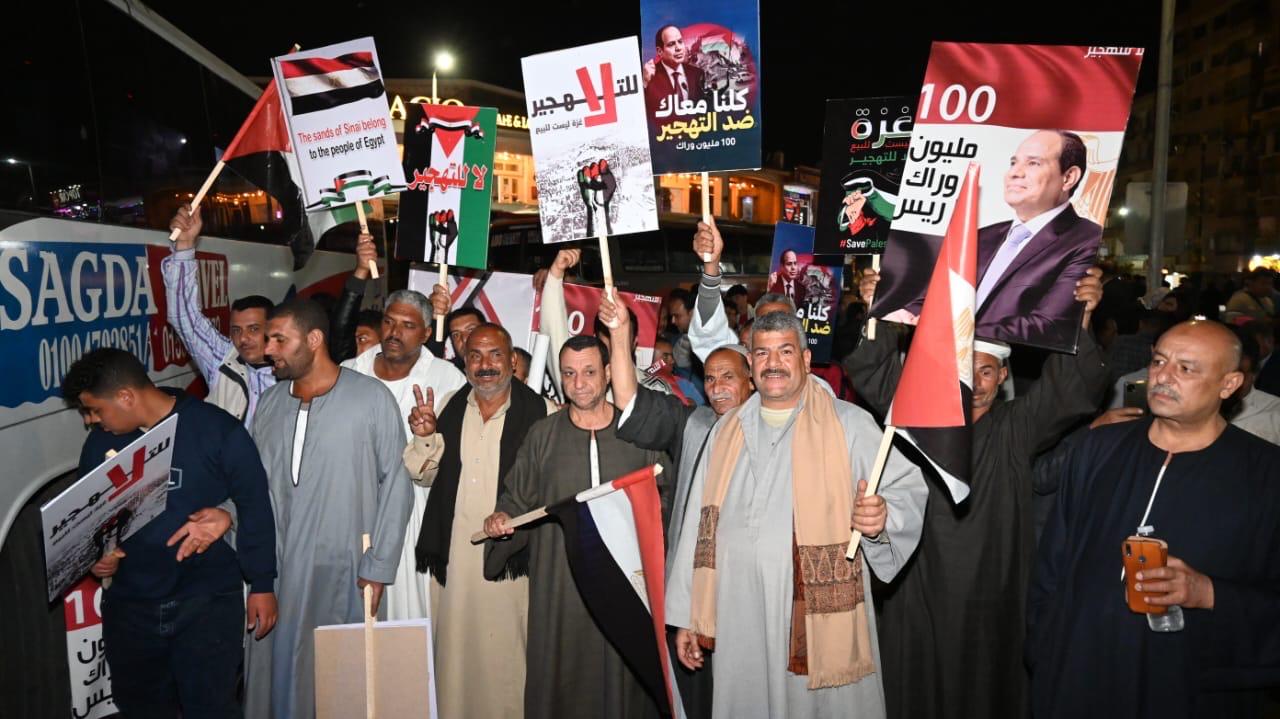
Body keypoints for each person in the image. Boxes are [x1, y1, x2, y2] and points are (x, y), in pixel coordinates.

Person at [846, 265, 1110, 718]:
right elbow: (872, 370)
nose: (975, 383)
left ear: (1003, 375)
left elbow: (1071, 390)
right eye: (965, 370)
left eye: (986, 372)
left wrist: (1080, 317)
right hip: (918, 587)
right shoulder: (917, 417)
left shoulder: (1016, 426)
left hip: (992, 595)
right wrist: (882, 309)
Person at [665, 310, 928, 719]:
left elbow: (906, 489)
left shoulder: (849, 424)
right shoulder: (725, 430)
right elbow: (699, 527)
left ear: (805, 360)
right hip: (739, 615)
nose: (773, 363)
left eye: (785, 352)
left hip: (814, 625)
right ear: (751, 363)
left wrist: (881, 518)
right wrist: (686, 616)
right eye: (763, 353)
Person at [1028, 320, 1280, 718]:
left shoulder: (1266, 475)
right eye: (1159, 361)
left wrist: (1208, 593)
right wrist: (1045, 648)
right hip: (1077, 671)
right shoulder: (1097, 448)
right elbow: (1052, 565)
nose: (1163, 376)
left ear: (1229, 384)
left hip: (1183, 685)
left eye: (1186, 368)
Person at [65, 348, 276, 718]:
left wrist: (262, 584)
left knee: (211, 708)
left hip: (206, 601)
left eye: (96, 410)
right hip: (131, 608)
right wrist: (97, 557)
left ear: (126, 396)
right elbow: (88, 522)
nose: (91, 421)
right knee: (141, 708)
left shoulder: (216, 429)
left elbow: (256, 504)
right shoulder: (99, 445)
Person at [482, 334, 670, 719]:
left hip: (627, 583)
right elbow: (517, 500)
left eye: (588, 372)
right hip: (562, 585)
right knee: (563, 681)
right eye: (568, 374)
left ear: (608, 373)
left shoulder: (638, 434)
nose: (578, 383)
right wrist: (502, 519)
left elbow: (667, 499)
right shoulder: (543, 436)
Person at [244, 298, 414, 719]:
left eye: (279, 340)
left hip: (345, 572)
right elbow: (251, 488)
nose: (268, 350)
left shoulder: (370, 399)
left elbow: (397, 484)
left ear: (314, 339)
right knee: (280, 679)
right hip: (278, 573)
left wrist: (378, 566)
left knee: (342, 683)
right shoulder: (270, 403)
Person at [601, 292, 754, 719]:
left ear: (752, 381)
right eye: (711, 378)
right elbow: (629, 400)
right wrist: (620, 336)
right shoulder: (694, 424)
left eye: (729, 377)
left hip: (754, 592)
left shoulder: (777, 431)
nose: (717, 387)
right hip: (700, 588)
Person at [405, 324, 556, 719]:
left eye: (494, 354)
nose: (484, 365)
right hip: (455, 561)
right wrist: (425, 436)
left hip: (511, 564)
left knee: (507, 664)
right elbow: (424, 475)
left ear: (512, 360)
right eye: (474, 356)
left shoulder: (544, 414)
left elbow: (557, 494)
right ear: (464, 362)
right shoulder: (450, 406)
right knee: (453, 665)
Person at [341, 289, 467, 620]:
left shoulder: (447, 378)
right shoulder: (349, 372)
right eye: (389, 322)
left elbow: (456, 461)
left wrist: (427, 437)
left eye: (407, 325)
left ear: (426, 333)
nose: (394, 332)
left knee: (407, 617)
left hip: (416, 514)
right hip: (352, 510)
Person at [164, 206, 277, 425]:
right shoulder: (223, 359)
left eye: (254, 329)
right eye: (236, 330)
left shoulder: (292, 372)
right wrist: (185, 245)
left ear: (273, 329)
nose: (243, 338)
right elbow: (184, 316)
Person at [537, 248, 672, 401]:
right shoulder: (582, 388)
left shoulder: (655, 389)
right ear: (596, 340)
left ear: (635, 342)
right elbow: (555, 334)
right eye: (608, 336)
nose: (614, 342)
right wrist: (555, 275)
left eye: (621, 334)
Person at [1224, 330, 1280, 445]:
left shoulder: (1275, 413)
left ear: (1254, 375)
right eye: (1223, 372)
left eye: (1240, 373)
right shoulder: (1195, 405)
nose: (1231, 381)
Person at [643, 24, 705, 117]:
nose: (678, 48)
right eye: (671, 44)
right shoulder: (650, 76)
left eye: (680, 41)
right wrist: (645, 83)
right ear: (660, 51)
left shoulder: (697, 73)